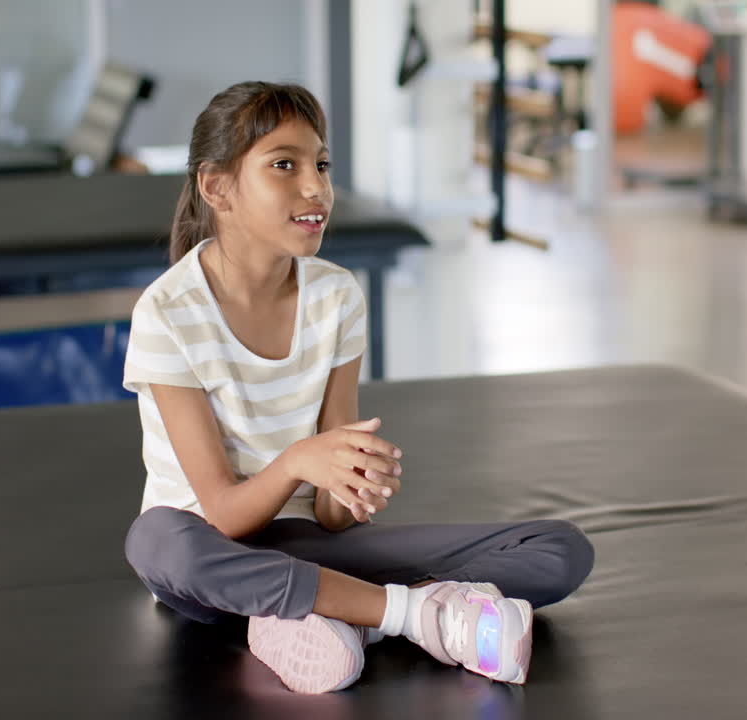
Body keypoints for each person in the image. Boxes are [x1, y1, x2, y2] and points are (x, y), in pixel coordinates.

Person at [122, 81, 594, 694]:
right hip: (213, 551)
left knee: (559, 550)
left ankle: (337, 615)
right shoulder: (167, 312)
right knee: (156, 539)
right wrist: (300, 462)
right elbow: (222, 514)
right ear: (218, 188)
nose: (315, 187)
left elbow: (332, 518)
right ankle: (415, 615)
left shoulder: (337, 295)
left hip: (309, 550)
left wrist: (351, 482)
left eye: (320, 164)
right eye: (283, 166)